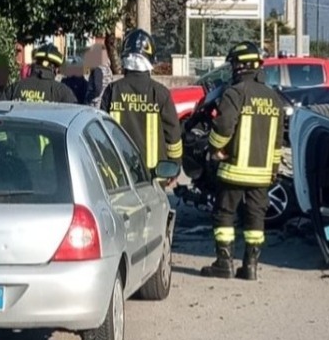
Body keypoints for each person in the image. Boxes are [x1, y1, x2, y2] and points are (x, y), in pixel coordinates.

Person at [199, 41, 284, 281]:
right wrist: (273, 170)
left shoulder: (235, 93)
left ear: (239, 66)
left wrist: (215, 148)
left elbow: (224, 126)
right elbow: (277, 141)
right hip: (262, 173)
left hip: (233, 171)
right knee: (255, 217)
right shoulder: (273, 98)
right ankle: (251, 266)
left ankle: (224, 264)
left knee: (224, 214)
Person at [100, 28, 182, 180]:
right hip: (154, 179)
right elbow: (173, 137)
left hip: (119, 177)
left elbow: (101, 132)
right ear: (150, 60)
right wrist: (173, 167)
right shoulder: (161, 93)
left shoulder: (112, 91)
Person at [0, 43, 78, 103]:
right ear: (56, 69)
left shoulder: (14, 88)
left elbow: (1, 112)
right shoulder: (63, 92)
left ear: (35, 62)